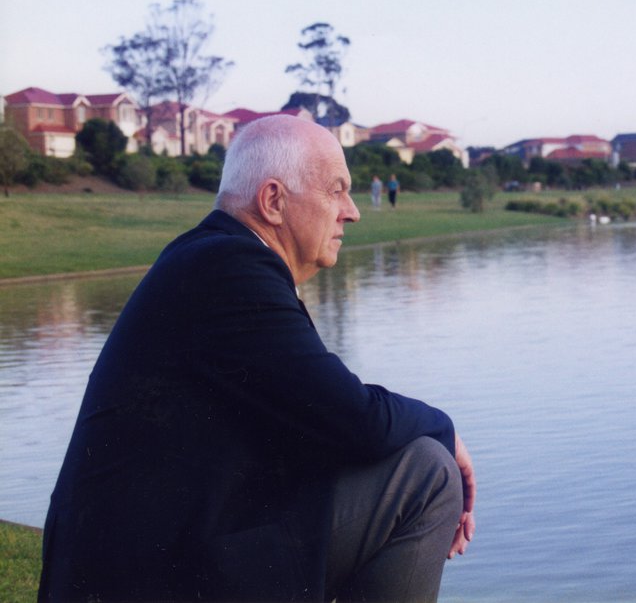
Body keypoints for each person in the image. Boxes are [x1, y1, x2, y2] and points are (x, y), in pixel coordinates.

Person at [38, 115, 475, 602]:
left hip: (158, 561)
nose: (351, 212)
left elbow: (318, 427)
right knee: (427, 474)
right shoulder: (230, 269)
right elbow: (355, 418)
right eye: (336, 191)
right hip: (149, 581)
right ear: (273, 201)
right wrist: (444, 428)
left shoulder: (211, 257)